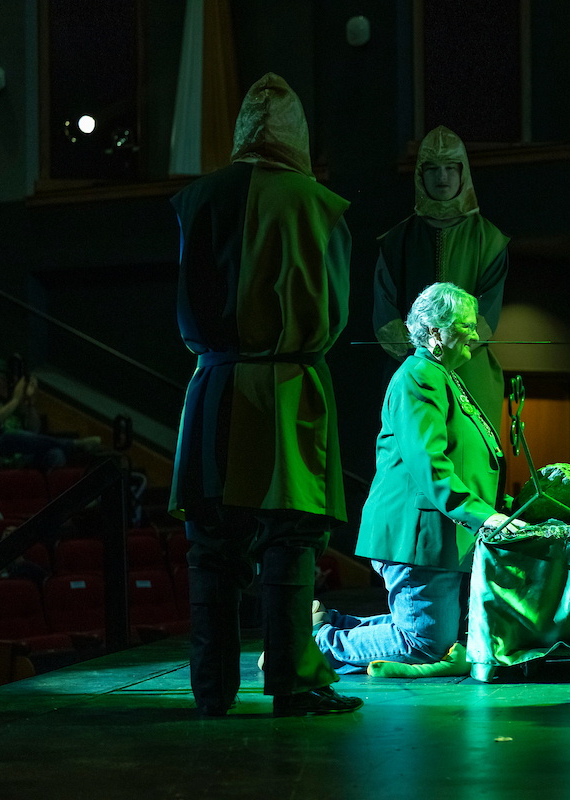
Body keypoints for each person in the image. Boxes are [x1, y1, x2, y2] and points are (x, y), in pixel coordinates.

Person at [169, 73, 361, 717]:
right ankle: (292, 679)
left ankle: (211, 687)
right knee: (292, 537)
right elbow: (332, 310)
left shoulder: (194, 201)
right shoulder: (318, 205)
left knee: (212, 546)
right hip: (286, 388)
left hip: (217, 384)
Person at [316, 282, 524, 674]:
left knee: (425, 634)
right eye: (465, 325)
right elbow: (428, 460)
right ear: (434, 332)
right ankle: (312, 644)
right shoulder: (419, 376)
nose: (476, 335)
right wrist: (483, 516)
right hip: (418, 534)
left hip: (434, 535)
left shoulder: (440, 374)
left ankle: (330, 627)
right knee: (425, 643)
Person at [373, 126, 509, 429]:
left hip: (470, 372)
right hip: (412, 371)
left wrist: (451, 350)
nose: (442, 177)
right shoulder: (397, 241)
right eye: (433, 169)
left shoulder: (488, 240)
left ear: (464, 173)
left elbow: (486, 315)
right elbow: (386, 313)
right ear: (421, 175)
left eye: (450, 168)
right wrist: (423, 357)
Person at [0, 359, 100, 470]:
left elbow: (34, 431)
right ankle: (75, 444)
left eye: (3, 378)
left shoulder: (5, 405)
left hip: (18, 456)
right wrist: (15, 400)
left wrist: (28, 403)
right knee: (9, 437)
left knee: (55, 453)